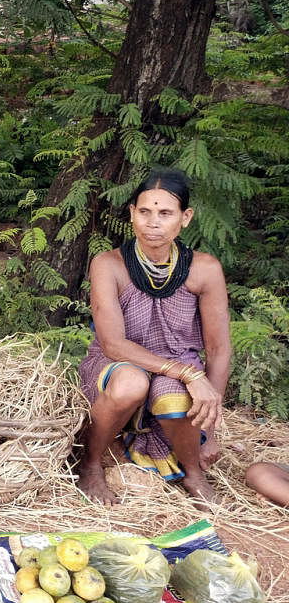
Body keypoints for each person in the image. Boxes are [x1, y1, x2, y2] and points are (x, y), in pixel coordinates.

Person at [77, 168, 230, 506]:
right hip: (117, 360)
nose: (153, 222)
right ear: (132, 214)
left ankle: (193, 472)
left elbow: (219, 349)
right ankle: (89, 464)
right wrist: (188, 373)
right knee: (133, 383)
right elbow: (113, 344)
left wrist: (212, 430)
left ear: (185, 218)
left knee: (173, 398)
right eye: (144, 212)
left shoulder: (205, 269)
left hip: (178, 362)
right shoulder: (109, 265)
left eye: (165, 213)